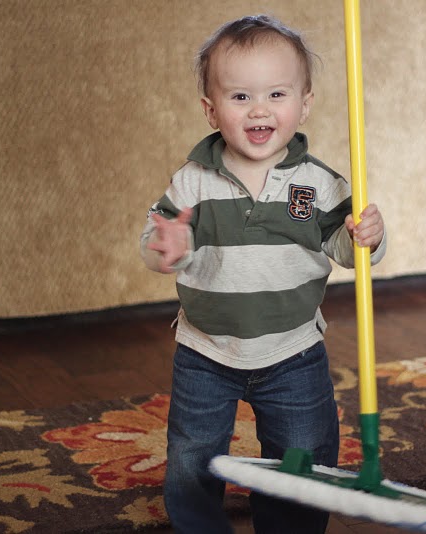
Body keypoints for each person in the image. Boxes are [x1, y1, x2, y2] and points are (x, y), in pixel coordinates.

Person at [139, 14, 387, 534]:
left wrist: (367, 237)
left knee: (303, 452)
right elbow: (162, 242)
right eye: (240, 97)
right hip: (206, 350)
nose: (259, 109)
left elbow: (346, 249)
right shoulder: (192, 182)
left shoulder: (319, 183)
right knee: (191, 456)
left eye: (277, 94)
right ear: (211, 111)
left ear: (305, 102)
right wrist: (167, 248)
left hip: (292, 350)